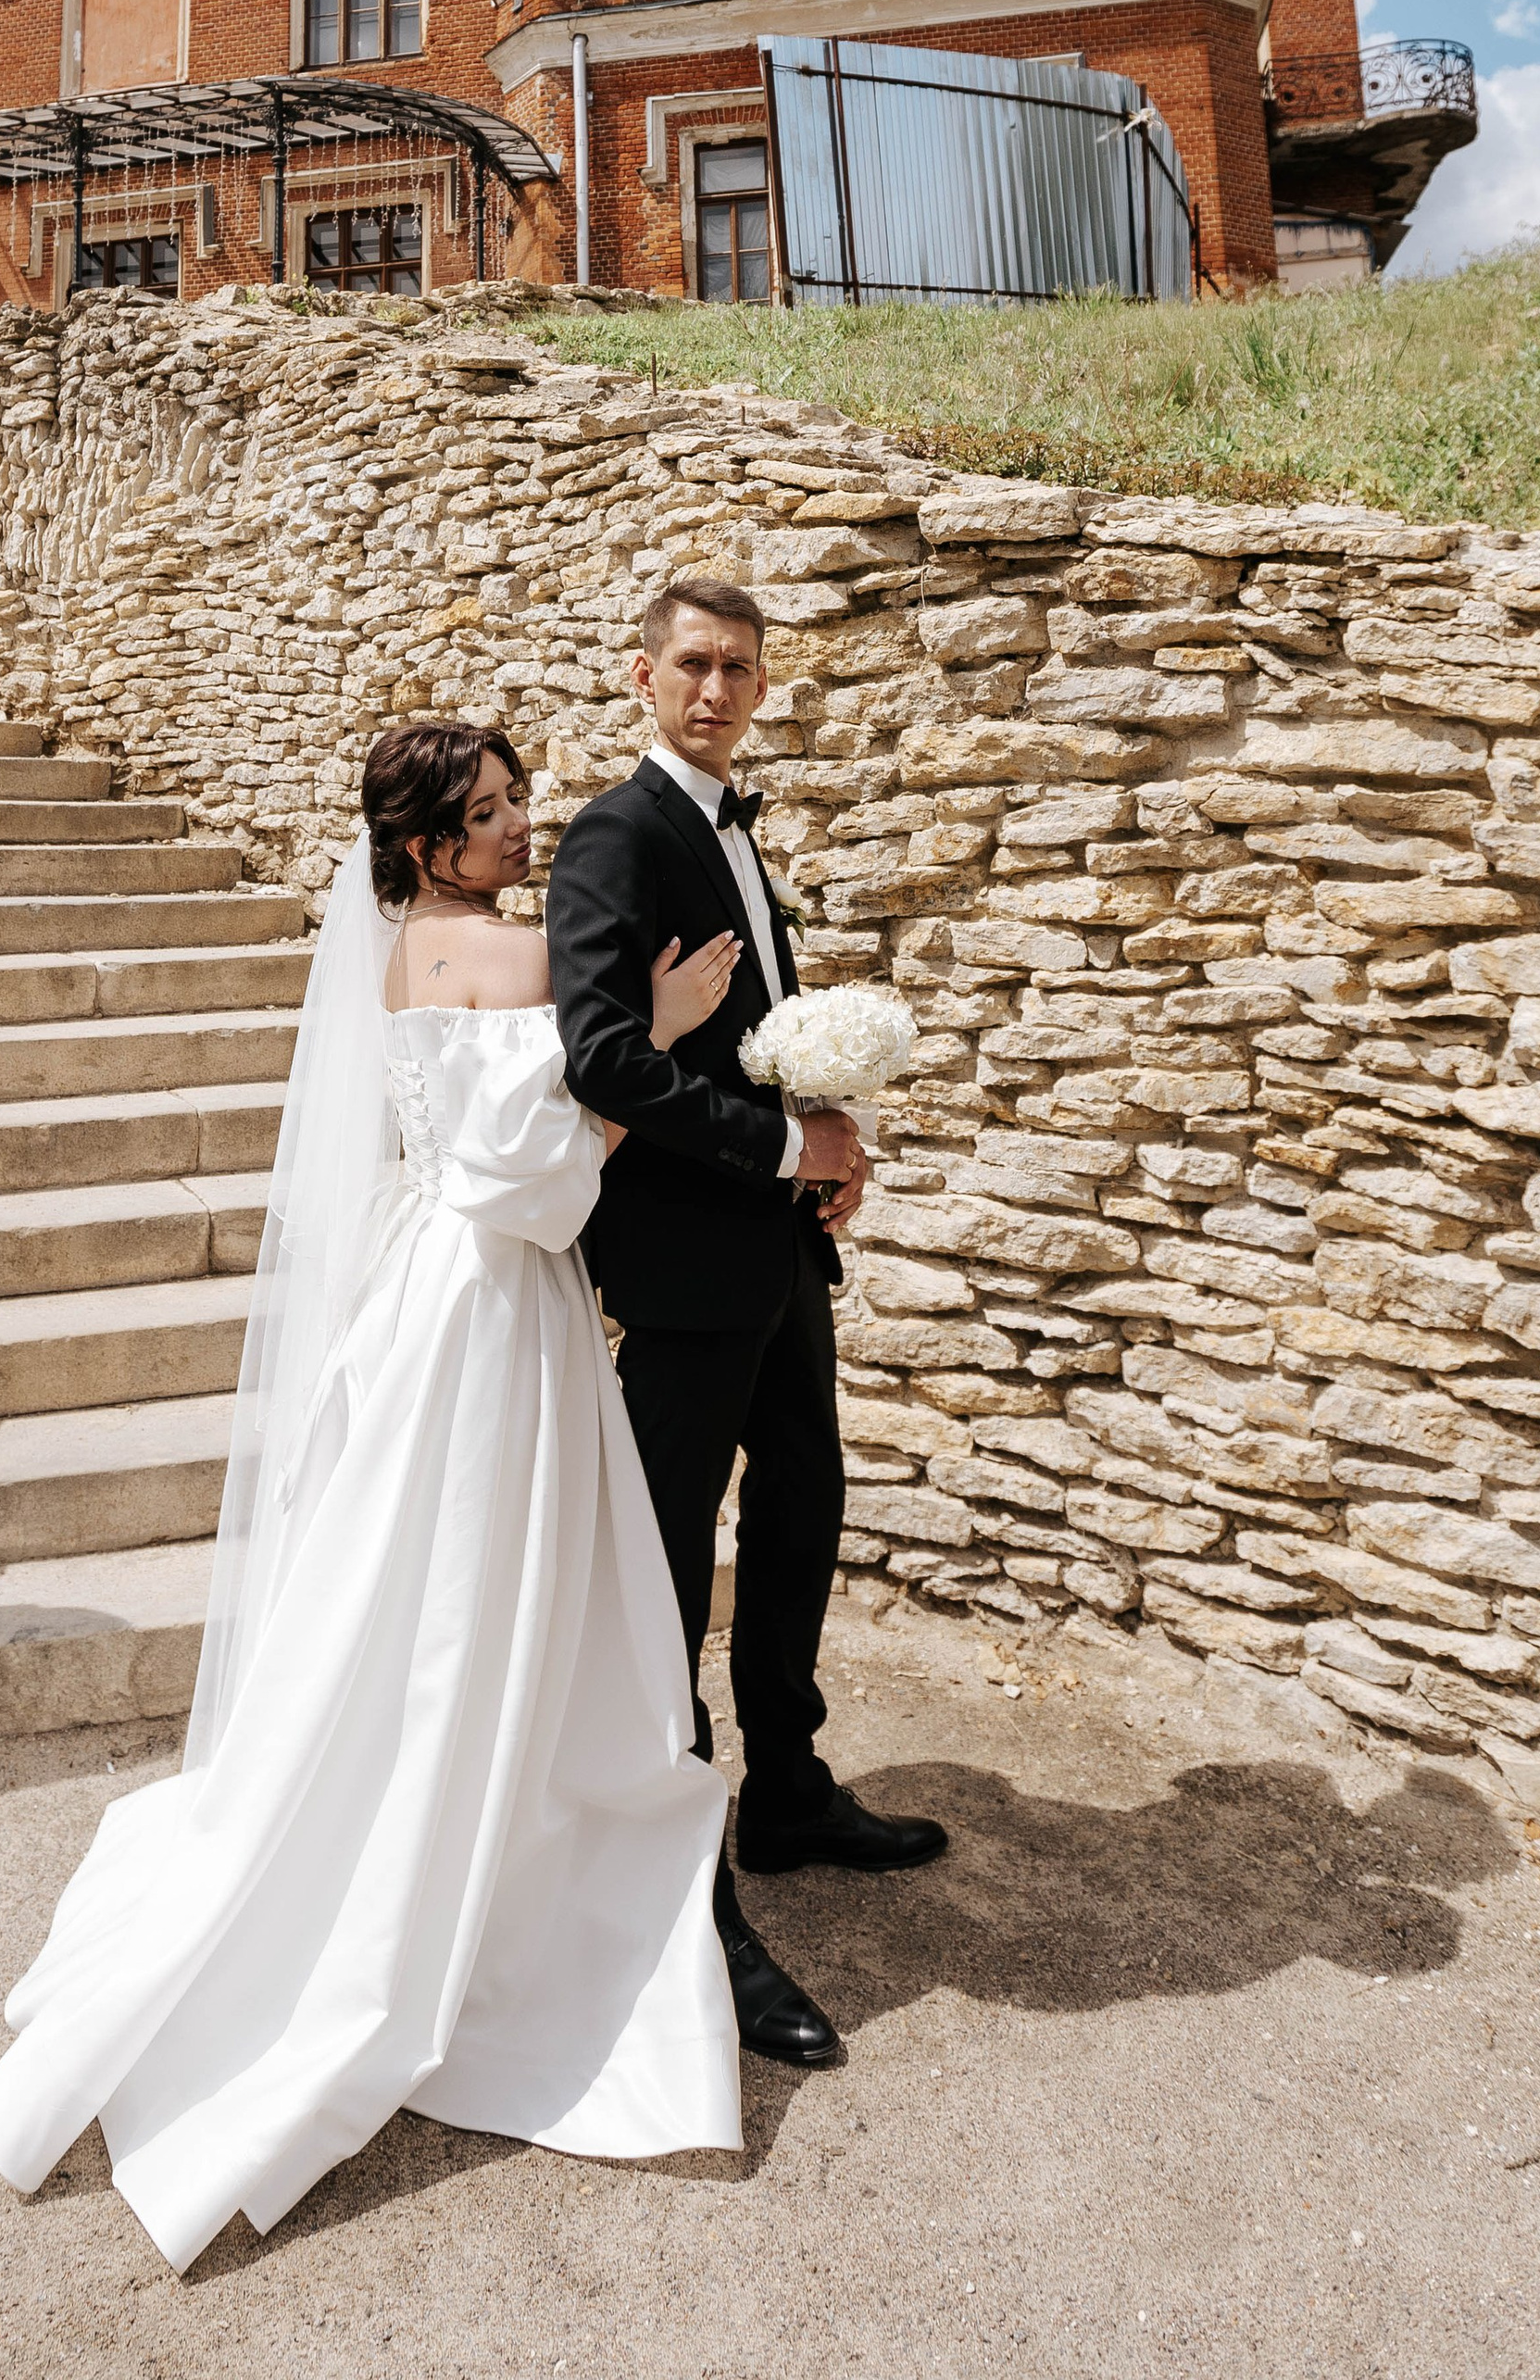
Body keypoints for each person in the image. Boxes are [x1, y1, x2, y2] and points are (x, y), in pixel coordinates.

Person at [0, 721, 751, 2270]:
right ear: (422, 846)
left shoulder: (407, 952)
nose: (519, 825)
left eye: (517, 798)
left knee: (411, 1582)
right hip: (493, 1301)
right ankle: (476, 1865)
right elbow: (528, 1172)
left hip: (428, 1298)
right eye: (486, 814)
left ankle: (442, 1798)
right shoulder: (515, 957)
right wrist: (654, 1034)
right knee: (483, 1579)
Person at [547, 576, 948, 2072]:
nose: (717, 689)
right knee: (668, 1576)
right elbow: (597, 1057)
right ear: (643, 676)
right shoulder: (614, 835)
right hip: (672, 1273)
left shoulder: (740, 833)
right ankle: (689, 1894)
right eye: (693, 665)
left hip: (777, 1259)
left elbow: (748, 1047)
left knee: (807, 1512)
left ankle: (786, 1785)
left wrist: (825, 1139)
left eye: (740, 669)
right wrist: (783, 1151)